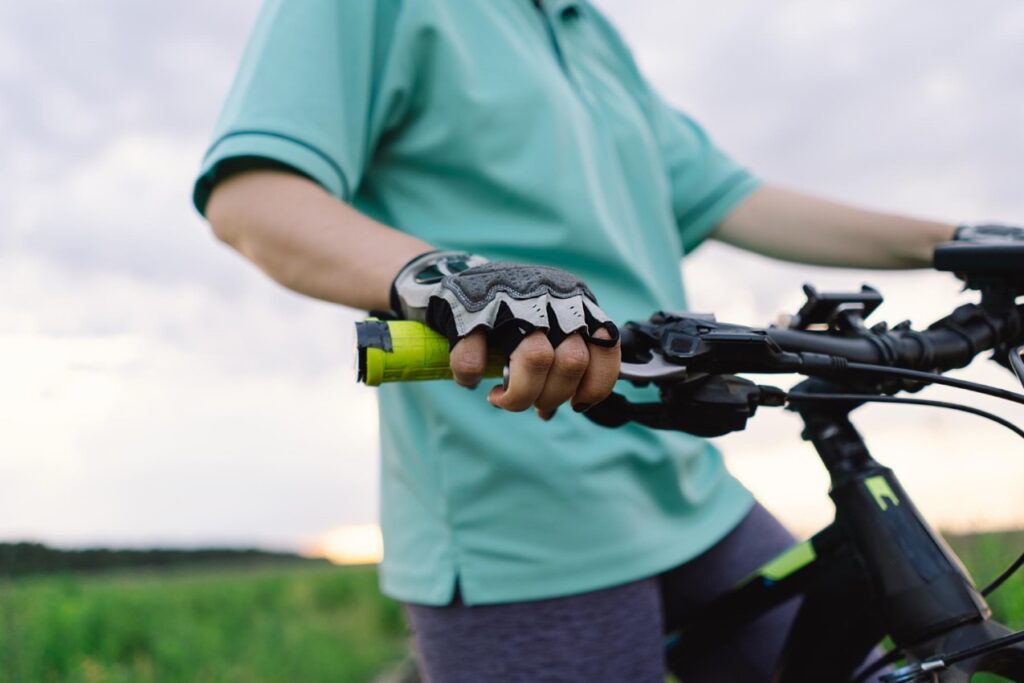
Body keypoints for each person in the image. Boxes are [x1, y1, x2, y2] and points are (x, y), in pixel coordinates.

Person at [192, 2, 979, 680]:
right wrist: (445, 279)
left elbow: (736, 197)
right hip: (520, 514)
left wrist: (962, 242)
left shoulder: (584, 27)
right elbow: (254, 194)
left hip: (682, 482)